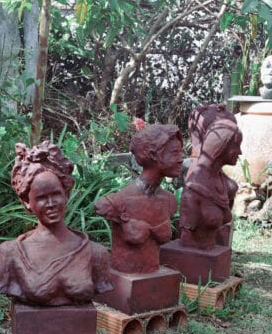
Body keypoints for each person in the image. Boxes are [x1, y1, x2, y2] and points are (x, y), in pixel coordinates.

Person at [0, 142, 112, 306]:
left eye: (56, 194)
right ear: (27, 202)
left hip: (78, 327)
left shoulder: (96, 253)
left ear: (66, 194)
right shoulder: (9, 253)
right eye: (41, 198)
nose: (50, 203)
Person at [94, 124, 183, 273]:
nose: (181, 159)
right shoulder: (117, 201)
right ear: (154, 155)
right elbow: (99, 207)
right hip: (126, 274)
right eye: (175, 153)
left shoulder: (169, 200)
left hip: (153, 280)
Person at [179, 117, 242, 250]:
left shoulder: (221, 180)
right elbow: (186, 235)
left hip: (211, 249)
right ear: (222, 146)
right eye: (236, 145)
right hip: (196, 253)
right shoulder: (194, 187)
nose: (240, 152)